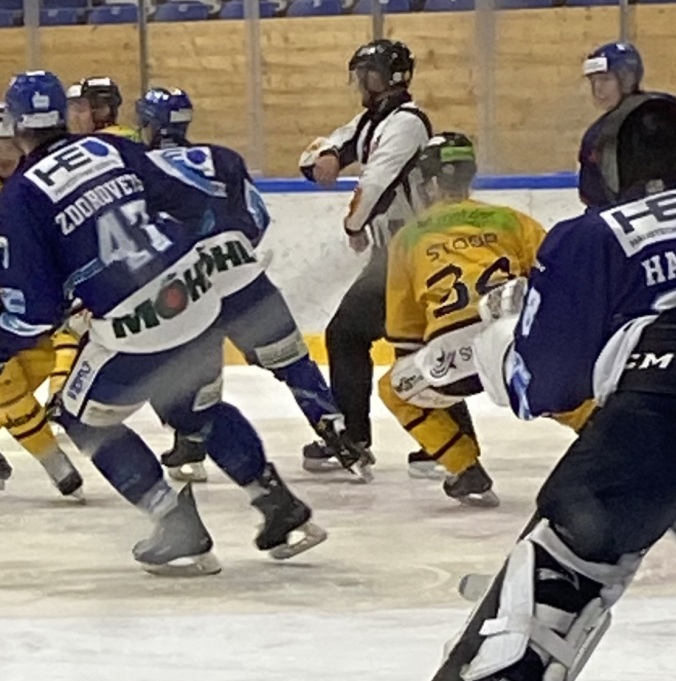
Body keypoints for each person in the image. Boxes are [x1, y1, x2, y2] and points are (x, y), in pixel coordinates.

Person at [425, 93, 676, 681]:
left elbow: (546, 382)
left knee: (577, 539)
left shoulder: (594, 235)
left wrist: (502, 336)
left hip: (664, 406)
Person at [0, 70, 326, 575]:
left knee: (81, 416)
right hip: (197, 291)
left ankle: (176, 525)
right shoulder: (107, 149)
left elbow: (34, 309)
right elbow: (185, 194)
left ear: (17, 126)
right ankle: (277, 503)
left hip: (139, 320)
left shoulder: (21, 197)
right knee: (189, 400)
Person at [135, 86, 373, 483]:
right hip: (241, 272)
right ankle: (335, 428)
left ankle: (191, 445)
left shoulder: (142, 169)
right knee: (291, 358)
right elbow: (257, 216)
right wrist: (233, 254)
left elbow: (139, 235)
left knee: (186, 364)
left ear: (149, 125)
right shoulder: (223, 158)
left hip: (184, 284)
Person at [298, 38, 480, 478]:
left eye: (367, 75)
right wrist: (325, 155)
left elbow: (377, 183)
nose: (361, 83)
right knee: (383, 339)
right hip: (396, 252)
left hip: (413, 251)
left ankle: (430, 445)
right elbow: (328, 150)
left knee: (400, 342)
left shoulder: (406, 124)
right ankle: (371, 439)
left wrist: (353, 224)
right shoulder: (374, 121)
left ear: (388, 78)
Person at [378, 132, 545, 506]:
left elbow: (404, 332)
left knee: (393, 389)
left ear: (432, 183)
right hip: (516, 344)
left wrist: (418, 366)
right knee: (562, 390)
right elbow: (555, 273)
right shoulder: (511, 220)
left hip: (455, 359)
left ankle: (464, 467)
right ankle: (597, 430)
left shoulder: (407, 237)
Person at [0, 103, 84, 500]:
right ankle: (56, 465)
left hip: (45, 304)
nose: (3, 154)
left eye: (7, 143)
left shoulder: (39, 186)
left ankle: (61, 402)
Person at [48, 77, 141, 420]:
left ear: (100, 109)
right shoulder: (126, 140)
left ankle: (64, 399)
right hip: (135, 257)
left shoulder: (97, 147)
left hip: (110, 261)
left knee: (73, 327)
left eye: (79, 108)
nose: (73, 115)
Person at [579, 41, 676, 208]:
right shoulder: (596, 135)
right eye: (593, 81)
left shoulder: (665, 112)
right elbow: (593, 198)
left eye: (605, 79)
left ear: (628, 78)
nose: (598, 89)